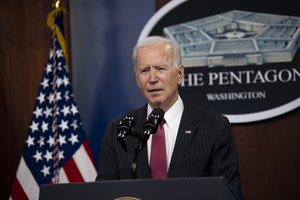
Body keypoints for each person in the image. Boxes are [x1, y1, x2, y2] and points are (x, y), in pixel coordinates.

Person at [96, 36, 241, 195]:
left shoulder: (214, 126)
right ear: (137, 80)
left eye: (160, 68)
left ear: (180, 73)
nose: (152, 78)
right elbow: (104, 193)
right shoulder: (118, 130)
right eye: (145, 70)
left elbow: (228, 194)